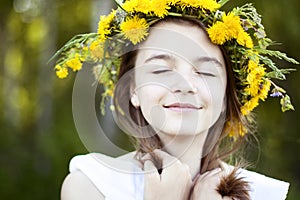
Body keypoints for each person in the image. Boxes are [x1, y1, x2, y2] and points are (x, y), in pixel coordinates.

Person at [52, 0, 297, 199]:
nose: (185, 85)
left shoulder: (263, 194)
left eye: (205, 72)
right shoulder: (92, 185)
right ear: (133, 90)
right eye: (161, 71)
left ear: (225, 95)